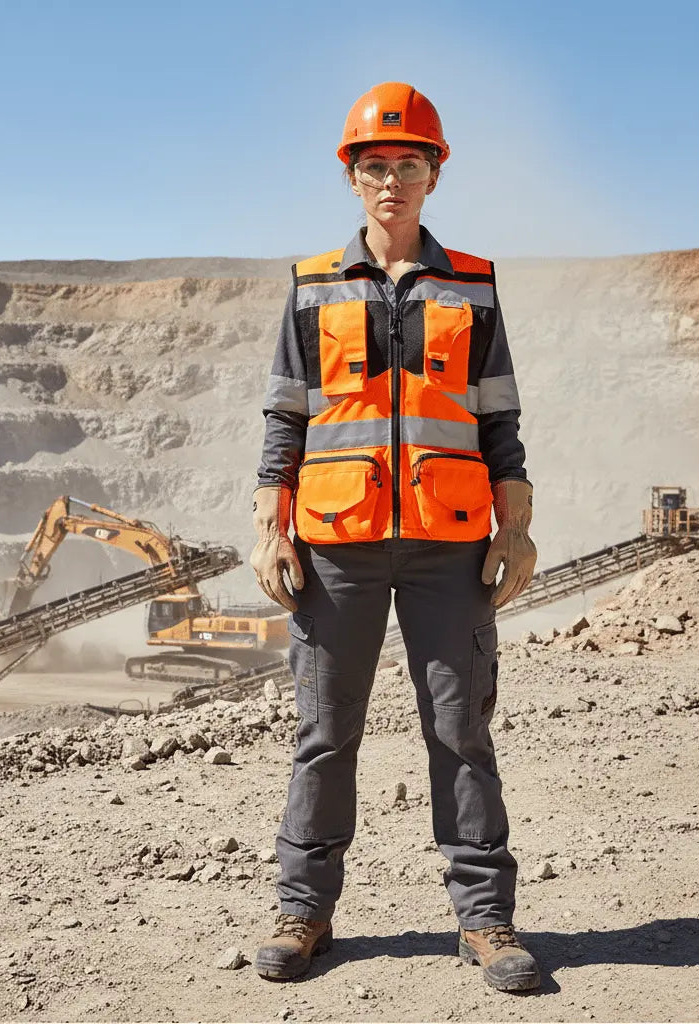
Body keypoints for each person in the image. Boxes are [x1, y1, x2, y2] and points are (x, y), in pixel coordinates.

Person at [249, 82, 539, 992]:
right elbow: (284, 416)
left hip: (448, 540)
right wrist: (271, 525)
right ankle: (306, 912)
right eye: (373, 167)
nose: (390, 182)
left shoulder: (473, 284)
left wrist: (518, 527)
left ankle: (486, 921)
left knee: (461, 733)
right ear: (352, 177)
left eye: (407, 165)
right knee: (325, 735)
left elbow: (500, 416)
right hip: (334, 540)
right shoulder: (310, 287)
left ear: (433, 174)